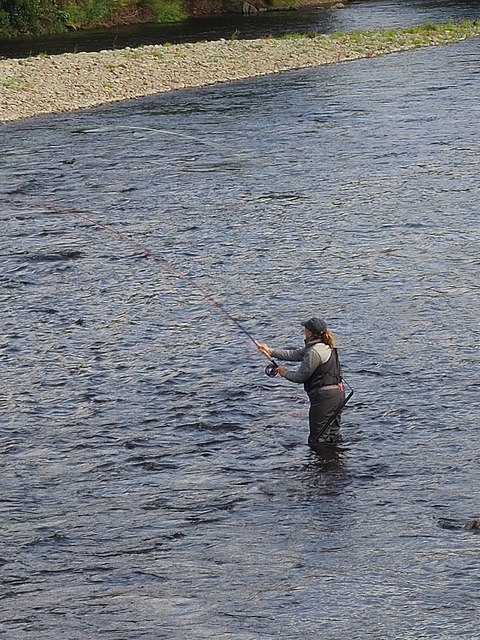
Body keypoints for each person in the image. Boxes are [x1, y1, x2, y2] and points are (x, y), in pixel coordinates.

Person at [256, 317, 346, 453]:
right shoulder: (325, 346)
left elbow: (300, 377)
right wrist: (269, 350)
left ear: (309, 333)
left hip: (324, 398)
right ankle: (334, 465)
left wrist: (284, 372)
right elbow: (294, 354)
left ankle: (321, 470)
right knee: (332, 435)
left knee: (317, 440)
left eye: (305, 329)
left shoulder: (314, 352)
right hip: (338, 394)